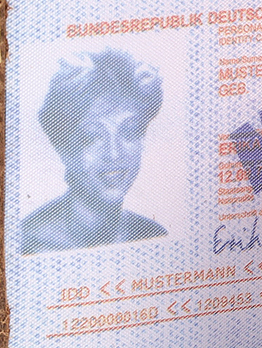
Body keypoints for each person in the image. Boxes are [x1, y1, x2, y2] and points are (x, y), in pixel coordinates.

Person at [20, 49, 168, 253]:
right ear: (63, 147)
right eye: (93, 137)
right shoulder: (31, 244)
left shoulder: (152, 236)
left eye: (129, 132)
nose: (114, 154)